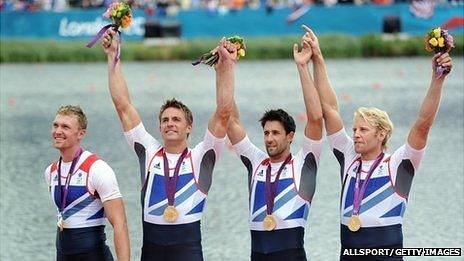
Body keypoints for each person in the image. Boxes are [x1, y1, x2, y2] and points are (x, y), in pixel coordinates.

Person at [302, 26, 453, 260]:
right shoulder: (348, 156)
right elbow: (329, 109)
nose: (356, 135)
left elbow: (423, 123)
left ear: (382, 134)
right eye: (354, 130)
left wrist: (437, 79)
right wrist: (318, 59)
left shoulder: (400, 163)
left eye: (363, 130)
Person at [102, 29, 235, 260]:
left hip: (189, 253)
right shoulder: (148, 151)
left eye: (176, 119)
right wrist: (113, 55)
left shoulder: (201, 156)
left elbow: (223, 113)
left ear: (189, 127)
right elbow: (123, 106)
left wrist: (227, 66)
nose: (170, 124)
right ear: (159, 126)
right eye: (165, 120)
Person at [226, 29, 323, 260]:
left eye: (276, 133)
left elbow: (316, 119)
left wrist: (302, 67)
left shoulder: (305, 162)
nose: (269, 138)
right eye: (267, 133)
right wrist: (226, 69)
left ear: (290, 136)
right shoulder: (256, 162)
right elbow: (229, 120)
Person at [44, 105, 130, 261]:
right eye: (55, 125)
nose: (58, 131)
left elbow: (120, 224)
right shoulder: (51, 171)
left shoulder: (97, 169)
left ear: (81, 134)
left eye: (65, 127)